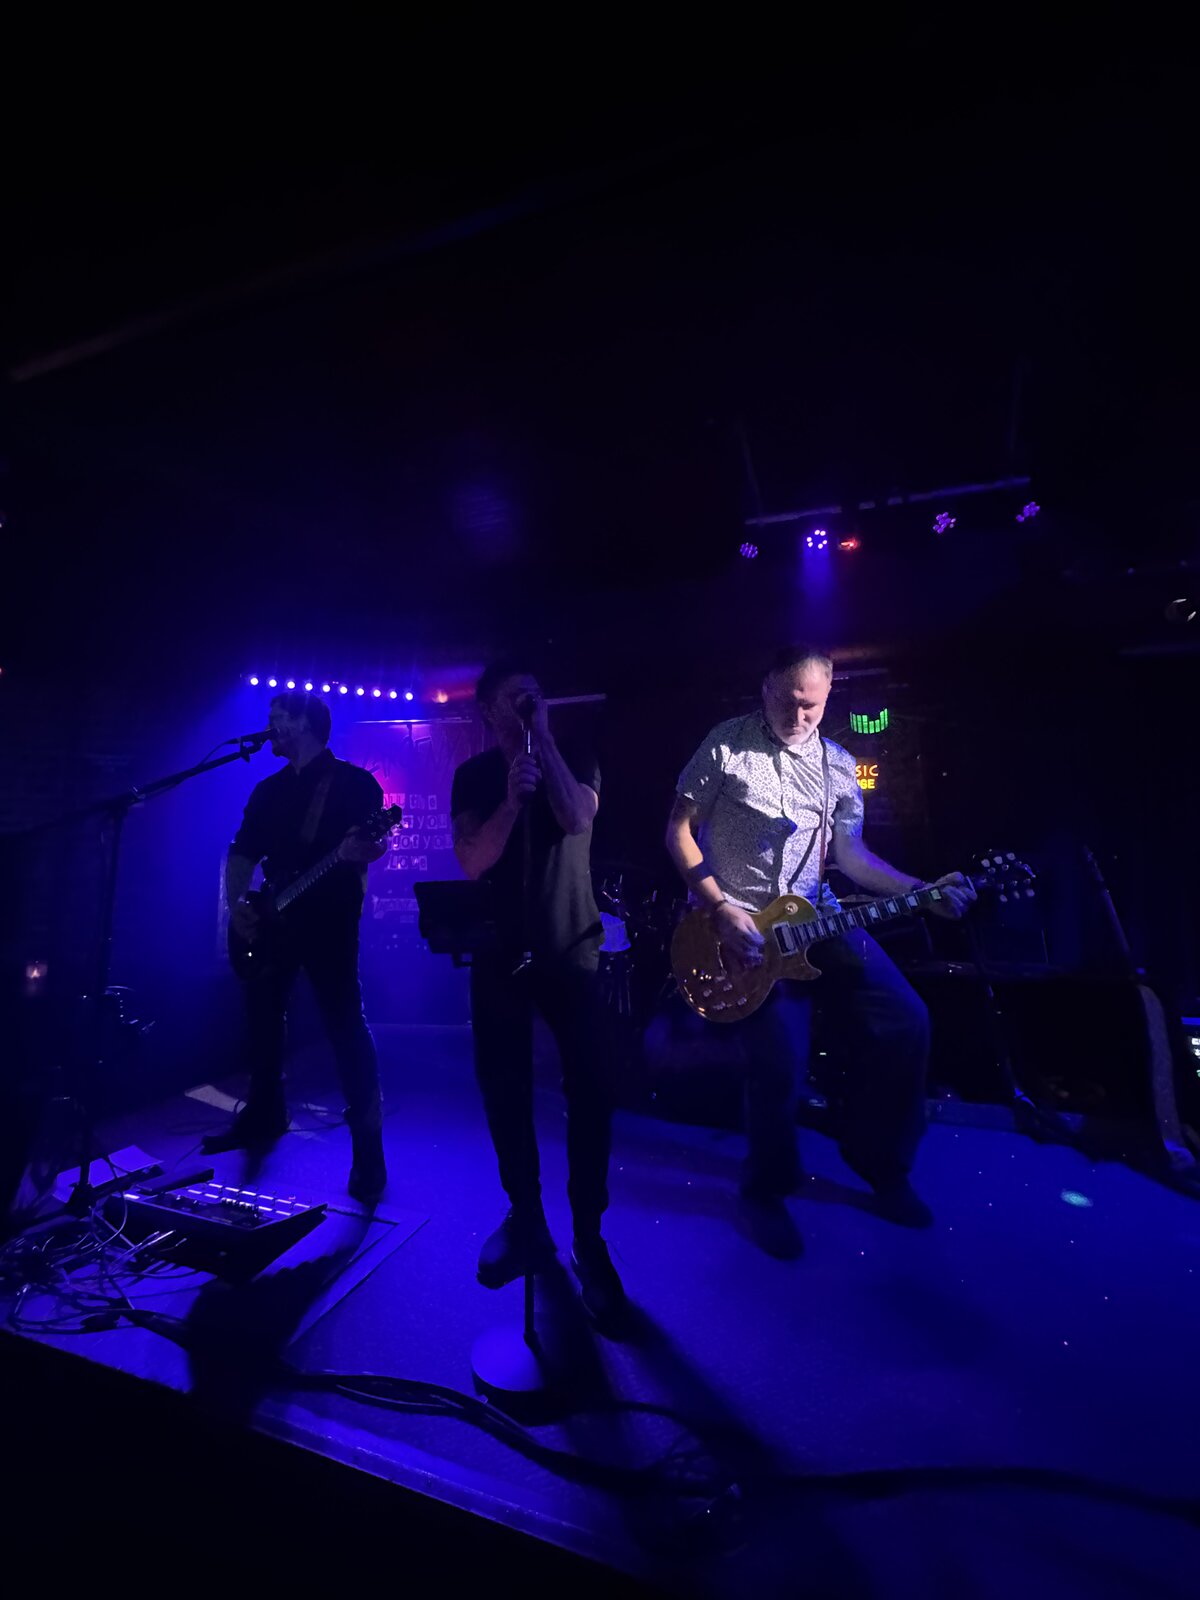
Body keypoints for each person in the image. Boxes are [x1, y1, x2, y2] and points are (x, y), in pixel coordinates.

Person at [665, 645, 975, 1258]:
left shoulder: (837, 764)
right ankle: (765, 1188)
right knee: (781, 1059)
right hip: (741, 922)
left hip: (815, 915)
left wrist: (922, 891)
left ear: (828, 698)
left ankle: (881, 1163)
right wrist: (718, 905)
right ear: (765, 689)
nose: (798, 715)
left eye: (811, 705)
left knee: (906, 1019)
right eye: (787, 701)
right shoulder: (726, 745)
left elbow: (852, 858)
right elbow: (677, 829)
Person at [451, 661, 625, 1329]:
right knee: (504, 1091)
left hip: (571, 946)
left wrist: (544, 741)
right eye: (514, 700)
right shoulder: (472, 776)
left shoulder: (573, 752)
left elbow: (579, 818)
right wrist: (510, 801)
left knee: (592, 1090)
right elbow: (473, 859)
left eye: (536, 695)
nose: (527, 704)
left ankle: (589, 1235)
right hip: (498, 953)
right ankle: (527, 1218)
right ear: (489, 712)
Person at [202, 690, 389, 1204]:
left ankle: (368, 1146)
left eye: (279, 720)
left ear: (306, 724)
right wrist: (238, 901)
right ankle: (264, 1113)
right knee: (262, 1018)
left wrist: (362, 847)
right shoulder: (267, 791)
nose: (271, 729)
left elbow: (375, 842)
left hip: (329, 922)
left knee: (345, 1025)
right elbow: (241, 849)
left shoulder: (355, 783)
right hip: (271, 919)